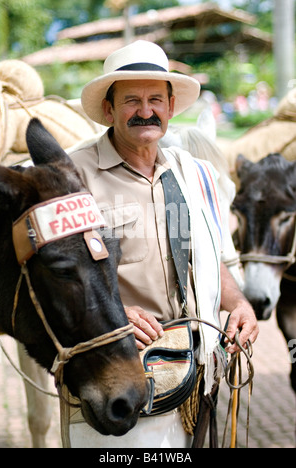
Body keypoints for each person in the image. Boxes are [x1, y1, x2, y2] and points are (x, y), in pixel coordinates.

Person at [67, 40, 258, 448]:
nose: (146, 110)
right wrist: (112, 314)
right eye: (131, 100)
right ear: (108, 109)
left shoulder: (193, 173)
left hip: (196, 379)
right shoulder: (71, 176)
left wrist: (238, 305)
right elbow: (50, 277)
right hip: (117, 383)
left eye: (156, 99)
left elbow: (207, 256)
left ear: (171, 107)